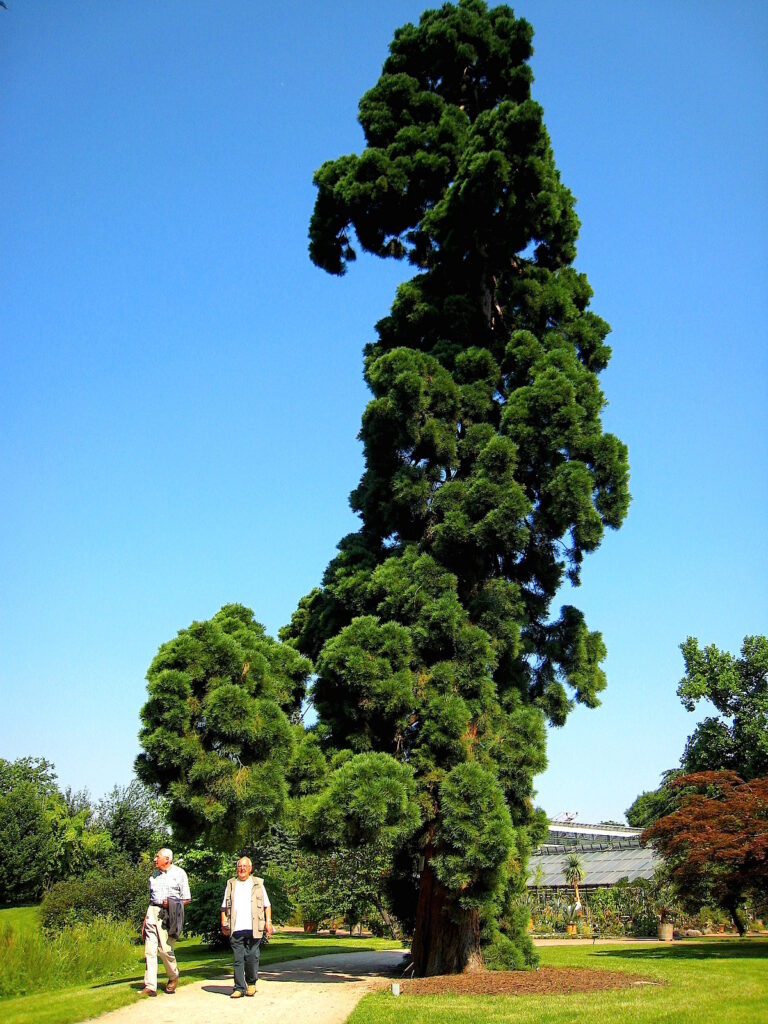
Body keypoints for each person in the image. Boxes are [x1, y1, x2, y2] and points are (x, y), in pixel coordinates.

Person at [220, 856, 274, 998]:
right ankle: (239, 987)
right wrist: (223, 923)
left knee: (251, 956)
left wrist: (268, 922)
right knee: (238, 959)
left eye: (245, 866)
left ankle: (251, 983)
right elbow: (223, 907)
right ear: (237, 868)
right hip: (236, 928)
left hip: (254, 927)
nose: (242, 869)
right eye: (239, 866)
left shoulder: (258, 884)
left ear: (250, 869)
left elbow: (266, 905)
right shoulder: (231, 884)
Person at [140, 848, 191, 997]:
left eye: (158, 857)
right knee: (150, 950)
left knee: (165, 950)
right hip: (152, 911)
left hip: (169, 913)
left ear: (167, 859)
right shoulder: (153, 875)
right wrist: (146, 918)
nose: (155, 859)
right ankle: (150, 986)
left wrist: (171, 903)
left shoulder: (179, 873)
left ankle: (173, 976)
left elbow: (187, 898)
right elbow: (151, 899)